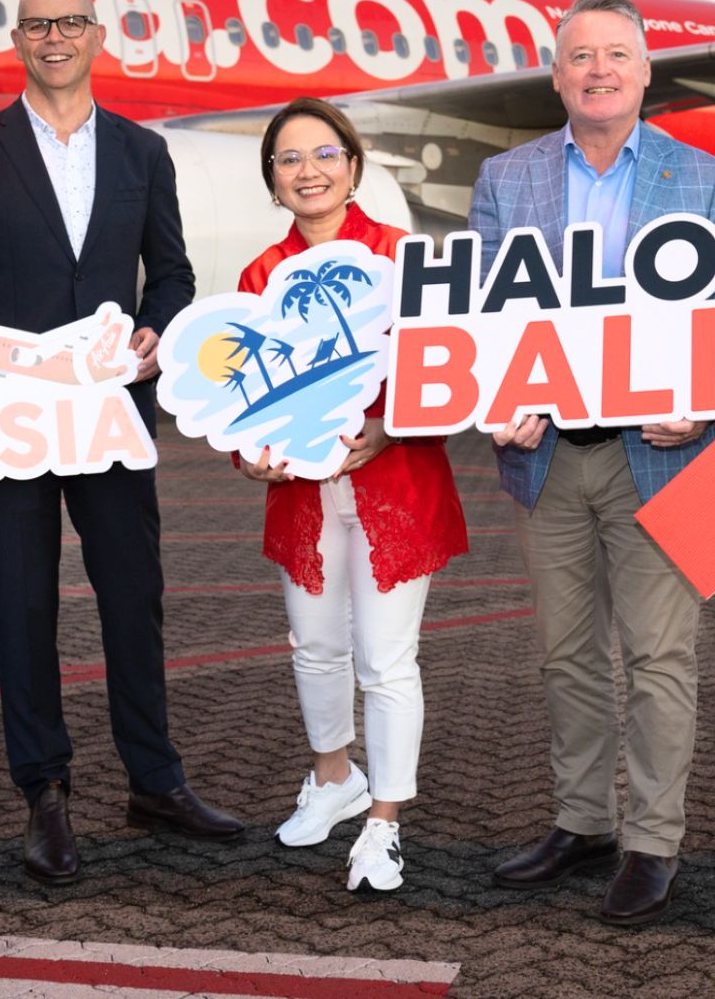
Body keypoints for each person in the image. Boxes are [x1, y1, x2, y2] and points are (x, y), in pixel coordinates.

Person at [0, 0, 240, 885]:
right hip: (11, 418)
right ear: (17, 41)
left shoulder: (143, 152)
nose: (53, 37)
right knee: (23, 605)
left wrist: (156, 330)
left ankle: (155, 780)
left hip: (110, 411)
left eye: (68, 22)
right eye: (36, 25)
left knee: (132, 595)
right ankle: (45, 792)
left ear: (97, 36)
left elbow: (170, 273)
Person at [471, 0, 715, 926]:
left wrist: (704, 399)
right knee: (566, 656)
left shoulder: (699, 175)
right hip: (547, 457)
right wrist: (493, 399)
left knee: (661, 655)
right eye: (580, 55)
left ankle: (653, 841)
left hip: (654, 455)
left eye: (617, 55)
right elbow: (483, 316)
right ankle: (583, 820)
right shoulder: (506, 178)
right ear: (556, 74)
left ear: (645, 72)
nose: (599, 70)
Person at [230, 97, 467, 892]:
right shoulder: (260, 275)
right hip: (302, 495)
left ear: (354, 166)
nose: (308, 171)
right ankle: (335, 778)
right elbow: (245, 394)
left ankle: (385, 821)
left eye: (324, 154)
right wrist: (249, 454)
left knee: (385, 657)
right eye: (289, 159)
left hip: (393, 486)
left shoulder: (406, 257)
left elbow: (448, 374)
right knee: (316, 647)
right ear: (272, 180)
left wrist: (393, 429)